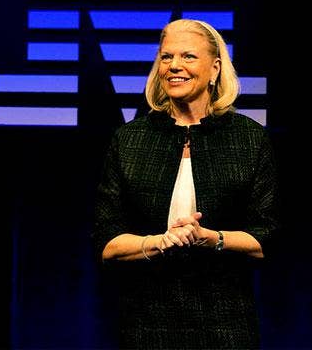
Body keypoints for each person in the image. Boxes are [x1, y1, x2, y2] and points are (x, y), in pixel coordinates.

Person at [92, 19, 280, 350]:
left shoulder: (248, 139)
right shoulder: (130, 140)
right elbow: (106, 242)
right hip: (147, 325)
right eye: (166, 57)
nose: (174, 66)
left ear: (215, 69)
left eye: (188, 56)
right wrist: (158, 242)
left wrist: (210, 238)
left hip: (226, 325)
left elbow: (266, 238)